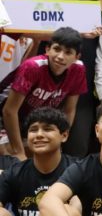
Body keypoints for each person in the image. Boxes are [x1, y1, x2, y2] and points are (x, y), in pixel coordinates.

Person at [2, 28, 86, 161]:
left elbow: (69, 110)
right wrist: (18, 151)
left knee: (49, 158)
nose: (60, 56)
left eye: (68, 52)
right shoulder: (32, 67)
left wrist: (61, 138)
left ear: (77, 57)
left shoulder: (79, 69)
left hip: (37, 121)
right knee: (13, 159)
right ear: (47, 50)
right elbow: (9, 110)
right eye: (57, 49)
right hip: (6, 118)